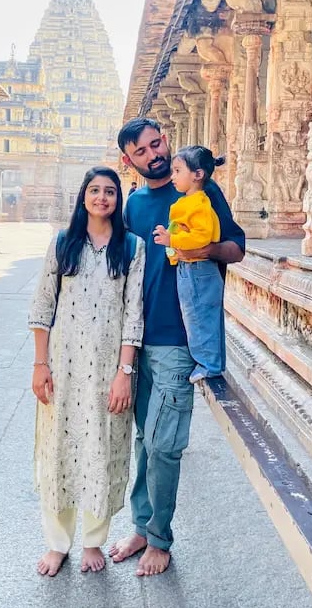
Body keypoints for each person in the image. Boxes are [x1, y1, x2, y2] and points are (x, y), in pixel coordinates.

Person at [109, 119, 245, 576]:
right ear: (130, 161)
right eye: (142, 151)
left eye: (157, 143)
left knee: (165, 443)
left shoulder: (200, 194)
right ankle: (143, 527)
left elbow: (236, 249)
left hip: (177, 337)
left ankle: (160, 539)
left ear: (166, 141)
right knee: (145, 439)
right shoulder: (133, 206)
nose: (154, 154)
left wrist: (199, 250)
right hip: (136, 339)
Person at [29, 166, 145, 577]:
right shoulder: (63, 243)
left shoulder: (132, 248)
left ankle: (93, 540)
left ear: (118, 200)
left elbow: (134, 314)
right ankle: (57, 543)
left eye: (110, 191)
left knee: (102, 448)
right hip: (64, 366)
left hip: (106, 370)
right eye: (94, 191)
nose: (102, 198)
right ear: (83, 197)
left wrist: (124, 372)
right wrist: (41, 365)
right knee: (58, 448)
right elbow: (44, 307)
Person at [152, 145, 226, 384]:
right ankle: (209, 362)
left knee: (199, 317)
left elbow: (202, 237)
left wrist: (172, 239)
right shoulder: (187, 202)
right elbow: (183, 230)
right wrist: (170, 236)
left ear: (197, 175)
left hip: (198, 269)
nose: (172, 176)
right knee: (196, 316)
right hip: (189, 268)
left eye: (177, 171)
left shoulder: (199, 204)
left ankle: (209, 365)